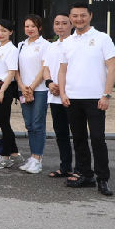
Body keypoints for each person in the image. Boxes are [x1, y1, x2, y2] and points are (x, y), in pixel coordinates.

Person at [59, 1, 115, 196]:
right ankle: (86, 175)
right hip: (72, 98)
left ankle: (103, 179)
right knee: (79, 138)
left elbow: (112, 68)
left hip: (96, 98)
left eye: (83, 15)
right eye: (75, 16)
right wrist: (63, 93)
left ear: (90, 16)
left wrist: (106, 94)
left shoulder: (102, 38)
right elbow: (62, 70)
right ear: (70, 18)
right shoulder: (67, 42)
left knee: (98, 139)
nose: (79, 19)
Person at [16, 14, 49, 174]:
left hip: (40, 90)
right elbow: (15, 69)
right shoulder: (21, 45)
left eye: (33, 26)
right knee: (29, 124)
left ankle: (37, 158)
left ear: (39, 28)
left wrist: (32, 87)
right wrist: (22, 87)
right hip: (23, 89)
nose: (30, 29)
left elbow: (44, 68)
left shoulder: (45, 45)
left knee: (37, 124)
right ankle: (32, 157)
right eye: (27, 26)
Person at [43, 13, 75, 178]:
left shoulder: (75, 44)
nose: (60, 26)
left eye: (64, 23)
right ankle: (65, 167)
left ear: (71, 25)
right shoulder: (51, 46)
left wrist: (63, 88)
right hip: (54, 95)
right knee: (61, 133)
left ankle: (80, 169)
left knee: (77, 133)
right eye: (57, 23)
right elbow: (46, 68)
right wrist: (49, 83)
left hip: (72, 95)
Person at [0, 20, 21, 169]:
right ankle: (15, 154)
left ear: (10, 32)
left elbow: (11, 72)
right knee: (2, 122)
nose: (0, 33)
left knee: (4, 123)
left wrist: (1, 91)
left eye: (4, 31)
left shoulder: (11, 49)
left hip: (3, 88)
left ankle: (6, 156)